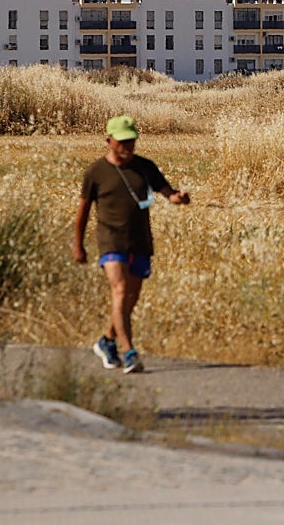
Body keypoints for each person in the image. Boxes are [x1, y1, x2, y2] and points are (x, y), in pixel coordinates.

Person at [73, 115, 189, 373]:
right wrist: (78, 245)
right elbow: (83, 211)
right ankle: (129, 352)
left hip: (139, 241)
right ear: (109, 141)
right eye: (122, 142)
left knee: (129, 299)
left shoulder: (145, 167)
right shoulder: (95, 172)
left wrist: (179, 198)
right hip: (110, 241)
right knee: (121, 290)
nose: (128, 147)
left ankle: (107, 340)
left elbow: (167, 192)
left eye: (131, 141)